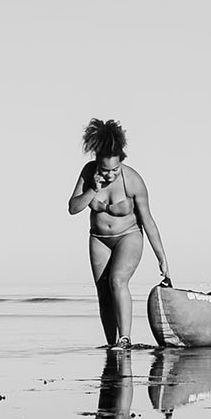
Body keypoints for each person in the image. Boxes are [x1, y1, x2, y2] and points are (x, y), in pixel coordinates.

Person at [66, 119, 170, 347]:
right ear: (96, 162)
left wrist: (162, 257)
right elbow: (73, 208)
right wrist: (94, 188)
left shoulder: (133, 181)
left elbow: (148, 221)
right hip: (99, 239)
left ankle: (125, 339)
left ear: (122, 162)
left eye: (115, 169)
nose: (110, 175)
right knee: (103, 291)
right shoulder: (88, 173)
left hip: (128, 236)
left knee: (117, 280)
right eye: (105, 170)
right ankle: (112, 343)